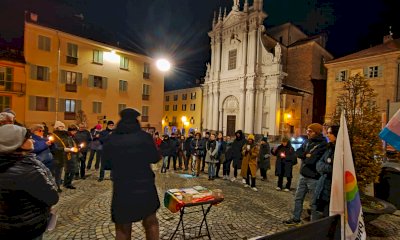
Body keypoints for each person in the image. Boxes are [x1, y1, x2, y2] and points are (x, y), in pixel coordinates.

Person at [102, 108, 160, 240]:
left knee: (122, 227)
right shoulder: (144, 137)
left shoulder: (112, 139)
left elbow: (106, 164)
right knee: (151, 222)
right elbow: (155, 157)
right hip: (145, 185)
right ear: (136, 120)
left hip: (122, 186)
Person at [0, 124, 59, 239]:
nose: (32, 140)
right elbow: (52, 197)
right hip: (27, 226)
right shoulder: (28, 170)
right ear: (17, 143)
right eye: (27, 138)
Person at [284, 123, 327, 226]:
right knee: (298, 198)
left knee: (313, 203)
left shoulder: (322, 144)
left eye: (310, 131)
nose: (307, 133)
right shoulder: (307, 142)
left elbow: (312, 160)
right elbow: (298, 152)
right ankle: (296, 219)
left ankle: (313, 225)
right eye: (307, 130)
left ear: (316, 132)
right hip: (303, 175)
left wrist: (306, 156)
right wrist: (305, 155)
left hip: (314, 178)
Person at [313, 125, 339, 219]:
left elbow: (335, 168)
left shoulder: (340, 150)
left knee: (327, 216)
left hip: (332, 188)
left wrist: (325, 167)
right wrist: (325, 166)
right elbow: (318, 164)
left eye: (330, 133)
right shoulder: (329, 148)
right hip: (322, 185)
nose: (327, 135)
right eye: (327, 133)